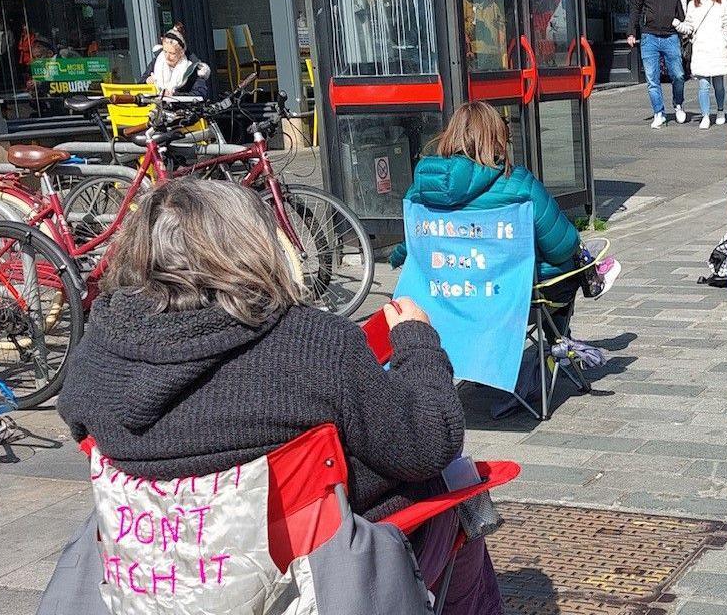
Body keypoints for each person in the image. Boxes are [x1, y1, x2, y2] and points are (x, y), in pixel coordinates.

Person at [56, 178, 503, 613]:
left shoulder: (96, 353)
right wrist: (418, 343)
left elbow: (78, 419)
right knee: (459, 484)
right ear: (253, 249)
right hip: (313, 580)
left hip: (152, 578)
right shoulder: (314, 343)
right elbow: (427, 443)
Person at [387, 101, 619, 334]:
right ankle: (558, 342)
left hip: (447, 299)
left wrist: (398, 256)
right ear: (497, 138)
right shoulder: (519, 185)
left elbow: (418, 241)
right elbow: (561, 247)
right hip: (513, 299)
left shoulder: (421, 190)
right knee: (567, 270)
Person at [626, 0, 688, 128]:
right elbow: (635, 7)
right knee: (652, 79)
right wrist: (631, 32)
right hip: (649, 36)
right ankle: (658, 113)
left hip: (670, 35)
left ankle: (678, 104)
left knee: (678, 75)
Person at [678, 0, 727, 128]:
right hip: (701, 48)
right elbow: (689, 26)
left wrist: (723, 40)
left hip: (716, 47)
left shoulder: (721, 2)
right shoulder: (692, 4)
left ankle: (720, 110)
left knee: (718, 84)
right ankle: (705, 116)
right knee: (703, 85)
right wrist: (677, 25)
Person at [141, 24, 210, 98]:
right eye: (165, 52)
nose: (167, 56)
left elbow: (200, 93)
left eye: (172, 53)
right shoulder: (156, 62)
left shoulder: (191, 68)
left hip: (182, 108)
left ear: (181, 53)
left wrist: (174, 95)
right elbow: (141, 83)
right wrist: (147, 80)